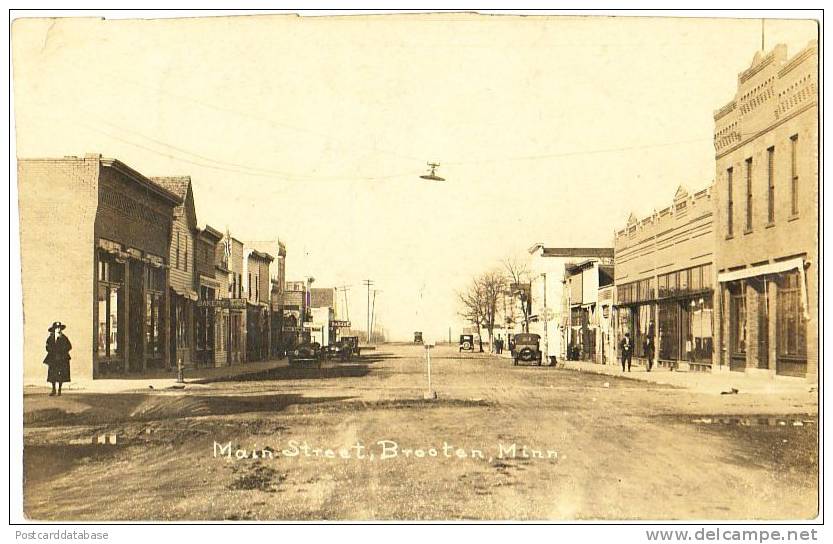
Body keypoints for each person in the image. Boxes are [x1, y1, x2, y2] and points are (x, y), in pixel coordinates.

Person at [44, 321, 72, 396]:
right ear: (54, 329)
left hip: (62, 358)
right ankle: (53, 389)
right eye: (56, 328)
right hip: (53, 358)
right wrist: (51, 351)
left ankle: (59, 389)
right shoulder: (50, 338)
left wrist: (62, 351)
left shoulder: (64, 337)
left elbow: (69, 346)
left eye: (59, 328)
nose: (58, 329)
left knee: (61, 375)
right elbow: (47, 347)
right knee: (52, 374)